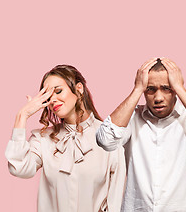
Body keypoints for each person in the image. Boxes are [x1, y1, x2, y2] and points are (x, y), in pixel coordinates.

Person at [96, 58, 186, 211]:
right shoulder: (131, 118)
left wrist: (180, 88)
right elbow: (105, 140)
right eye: (150, 89)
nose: (158, 98)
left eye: (166, 88)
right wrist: (137, 89)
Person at [7, 65, 126, 212]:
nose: (53, 100)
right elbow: (18, 168)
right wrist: (22, 115)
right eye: (48, 97)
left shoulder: (108, 138)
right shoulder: (44, 139)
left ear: (79, 88)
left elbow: (116, 200)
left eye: (58, 91)